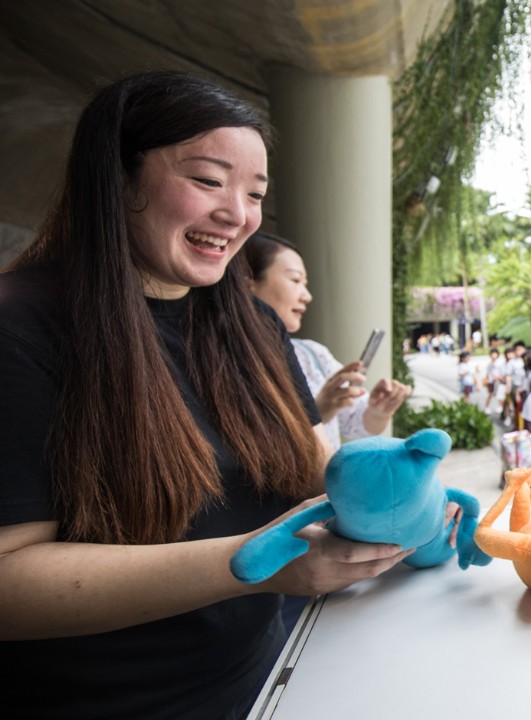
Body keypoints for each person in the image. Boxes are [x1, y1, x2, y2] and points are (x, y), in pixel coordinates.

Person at [0, 72, 424, 719]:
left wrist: (398, 503)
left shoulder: (252, 325)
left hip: (272, 678)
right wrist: (250, 564)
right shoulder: (22, 327)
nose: (238, 214)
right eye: (207, 180)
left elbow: (314, 469)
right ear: (119, 177)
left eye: (254, 193)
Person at [244, 232, 411, 449]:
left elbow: (358, 422)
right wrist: (318, 410)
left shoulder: (312, 354)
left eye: (305, 283)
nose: (307, 296)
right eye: (295, 280)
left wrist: (378, 411)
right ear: (248, 284)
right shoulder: (218, 364)